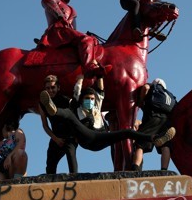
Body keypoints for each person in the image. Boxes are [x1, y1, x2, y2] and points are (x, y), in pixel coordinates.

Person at [39, 88, 174, 152]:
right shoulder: (78, 108)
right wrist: (80, 80)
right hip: (86, 137)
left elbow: (101, 92)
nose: (90, 101)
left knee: (127, 132)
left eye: (92, 99)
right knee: (68, 114)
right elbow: (76, 93)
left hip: (101, 138)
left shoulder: (98, 109)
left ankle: (155, 139)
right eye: (87, 99)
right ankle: (54, 110)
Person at [38, 0, 106, 76]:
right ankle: (89, 67)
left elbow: (73, 28)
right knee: (87, 40)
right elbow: (46, 1)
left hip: (68, 33)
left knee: (92, 40)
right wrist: (60, 16)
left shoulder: (71, 9)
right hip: (58, 31)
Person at [131, 78, 176, 171]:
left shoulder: (153, 88)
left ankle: (135, 168)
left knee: (140, 144)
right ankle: (164, 170)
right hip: (166, 120)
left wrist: (140, 101)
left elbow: (146, 88)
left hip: (152, 117)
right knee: (165, 146)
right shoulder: (169, 95)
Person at [39, 74, 79, 174]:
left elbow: (76, 119)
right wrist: (55, 139)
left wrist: (76, 136)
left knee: (72, 165)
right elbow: (45, 125)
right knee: (50, 167)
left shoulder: (66, 100)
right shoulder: (41, 103)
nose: (50, 90)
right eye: (47, 88)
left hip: (70, 137)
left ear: (58, 87)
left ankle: (76, 182)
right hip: (56, 137)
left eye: (53, 87)